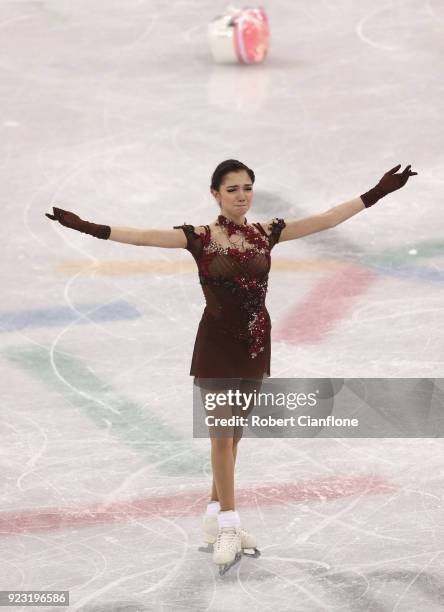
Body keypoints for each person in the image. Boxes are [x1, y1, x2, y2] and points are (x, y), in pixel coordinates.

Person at [45, 159, 417, 574]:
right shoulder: (198, 238)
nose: (242, 196)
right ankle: (228, 524)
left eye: (247, 188)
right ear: (215, 194)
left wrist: (379, 191)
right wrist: (87, 227)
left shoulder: (267, 234)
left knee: (234, 435)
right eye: (233, 189)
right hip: (217, 346)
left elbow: (327, 220)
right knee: (220, 437)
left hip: (256, 344)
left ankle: (212, 514)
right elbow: (140, 237)